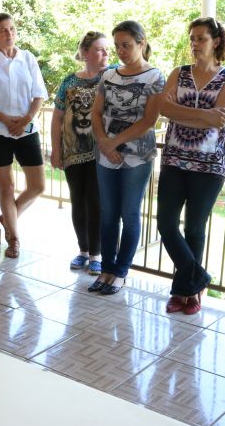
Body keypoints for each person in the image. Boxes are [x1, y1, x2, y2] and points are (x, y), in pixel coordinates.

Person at [157, 18, 225, 315]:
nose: (194, 43)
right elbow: (162, 107)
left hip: (211, 163)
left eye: (201, 38)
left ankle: (186, 293)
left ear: (216, 41)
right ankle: (198, 278)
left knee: (194, 226)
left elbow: (221, 117)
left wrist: (180, 112)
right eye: (192, 38)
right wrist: (203, 115)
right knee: (166, 223)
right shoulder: (178, 73)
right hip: (174, 159)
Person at [88, 21, 164, 295]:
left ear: (142, 43)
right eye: (117, 45)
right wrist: (105, 143)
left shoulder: (155, 76)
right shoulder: (108, 75)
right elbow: (96, 113)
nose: (120, 50)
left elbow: (149, 120)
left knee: (130, 214)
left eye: (127, 45)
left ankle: (120, 272)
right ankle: (106, 269)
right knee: (108, 214)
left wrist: (113, 142)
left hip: (137, 156)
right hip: (106, 153)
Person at [0, 12, 47, 259]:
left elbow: (39, 94)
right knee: (7, 186)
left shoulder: (28, 58)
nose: (9, 34)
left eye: (12, 29)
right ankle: (14, 239)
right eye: (3, 30)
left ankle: (8, 216)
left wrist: (25, 120)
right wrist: (5, 119)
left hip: (27, 129)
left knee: (38, 185)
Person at [50, 31, 112, 275]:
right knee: (78, 201)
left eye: (107, 49)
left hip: (100, 152)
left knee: (96, 202)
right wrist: (56, 149)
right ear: (85, 53)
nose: (106, 53)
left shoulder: (113, 76)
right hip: (73, 152)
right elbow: (57, 117)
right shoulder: (69, 81)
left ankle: (97, 254)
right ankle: (83, 251)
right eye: (99, 49)